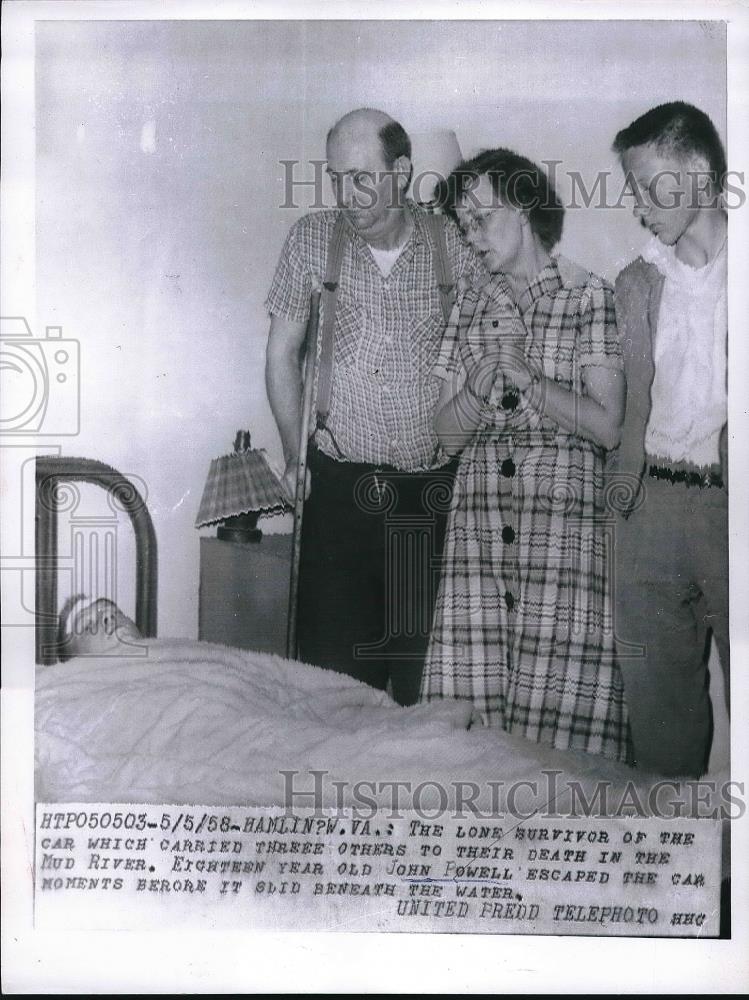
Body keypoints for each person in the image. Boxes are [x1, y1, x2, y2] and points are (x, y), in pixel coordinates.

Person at [265, 108, 483, 704]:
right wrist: (293, 455)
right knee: (331, 691)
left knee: (425, 692)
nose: (347, 194)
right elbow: (282, 356)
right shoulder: (313, 237)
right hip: (336, 489)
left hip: (429, 497)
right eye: (336, 178)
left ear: (403, 172)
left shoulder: (455, 244)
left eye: (362, 177)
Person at [420, 149, 631, 763]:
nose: (473, 236)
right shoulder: (467, 307)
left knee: (564, 751)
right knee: (467, 747)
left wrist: (533, 383)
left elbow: (609, 426)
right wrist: (479, 385)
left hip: (562, 537)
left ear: (523, 207)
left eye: (482, 219)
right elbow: (445, 438)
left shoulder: (589, 296)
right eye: (465, 225)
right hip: (478, 538)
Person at [611, 102, 728, 777]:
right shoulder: (635, 283)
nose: (637, 205)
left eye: (650, 187)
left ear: (703, 178)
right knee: (658, 717)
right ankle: (671, 871)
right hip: (646, 509)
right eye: (631, 187)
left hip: (728, 511)